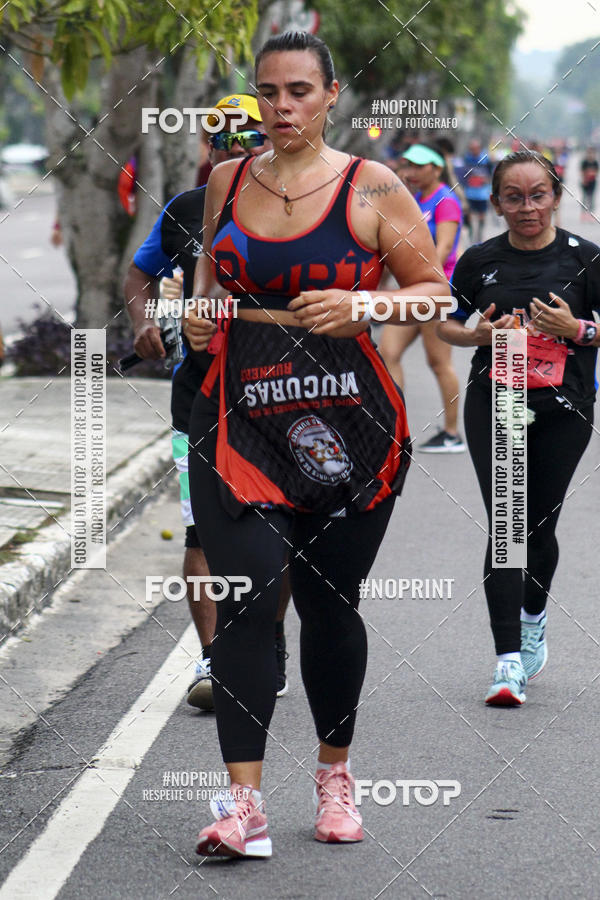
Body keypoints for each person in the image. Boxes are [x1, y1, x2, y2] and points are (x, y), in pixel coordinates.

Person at [184, 30, 449, 857]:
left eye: (299, 91)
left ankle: (335, 775)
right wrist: (194, 319)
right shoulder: (226, 180)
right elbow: (206, 287)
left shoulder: (372, 187)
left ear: (332, 95)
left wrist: (364, 307)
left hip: (351, 416)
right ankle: (243, 806)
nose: (282, 107)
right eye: (269, 92)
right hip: (240, 414)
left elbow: (433, 293)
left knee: (332, 605)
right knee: (249, 601)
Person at [124, 94, 291, 710]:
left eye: (250, 138)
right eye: (224, 141)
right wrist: (144, 321)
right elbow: (140, 276)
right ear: (209, 149)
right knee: (200, 534)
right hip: (200, 394)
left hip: (279, 393)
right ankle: (214, 658)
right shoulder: (185, 211)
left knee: (280, 534)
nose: (239, 151)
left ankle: (268, 636)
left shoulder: (303, 212)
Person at [438, 149, 600, 706]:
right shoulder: (479, 259)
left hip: (566, 408)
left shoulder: (586, 258)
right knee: (507, 525)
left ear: (556, 195)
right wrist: (479, 335)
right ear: (498, 200)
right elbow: (447, 325)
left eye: (537, 195)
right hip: (497, 402)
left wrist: (576, 328)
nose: (527, 207)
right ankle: (508, 661)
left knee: (540, 524)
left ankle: (534, 616)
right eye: (514, 197)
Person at [379, 144, 465, 453]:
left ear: (436, 168)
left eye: (418, 166)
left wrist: (421, 279)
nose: (411, 172)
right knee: (388, 352)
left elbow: (443, 250)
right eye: (408, 166)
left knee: (439, 362)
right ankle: (397, 428)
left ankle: (453, 434)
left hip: (436, 291)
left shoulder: (446, 201)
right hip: (412, 292)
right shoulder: (415, 200)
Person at [461, 138, 493, 244]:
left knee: (481, 215)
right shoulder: (467, 159)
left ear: (479, 149)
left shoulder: (486, 159)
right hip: (470, 192)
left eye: (475, 149)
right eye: (471, 149)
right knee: (469, 214)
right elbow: (463, 174)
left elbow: (491, 174)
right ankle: (471, 235)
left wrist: (484, 180)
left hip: (482, 193)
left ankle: (479, 234)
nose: (473, 151)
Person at [580, 146, 598, 220]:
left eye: (592, 153)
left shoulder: (595, 162)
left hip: (593, 182)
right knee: (584, 198)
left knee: (591, 198)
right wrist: (584, 179)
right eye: (589, 153)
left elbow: (596, 171)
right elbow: (581, 171)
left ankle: (591, 214)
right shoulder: (584, 162)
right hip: (585, 181)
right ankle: (583, 214)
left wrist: (592, 173)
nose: (591, 155)